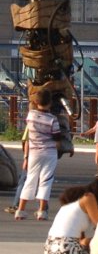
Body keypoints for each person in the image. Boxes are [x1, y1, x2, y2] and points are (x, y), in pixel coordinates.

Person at [16, 88, 61, 220]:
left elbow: (29, 134)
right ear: (50, 103)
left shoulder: (30, 116)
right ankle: (42, 211)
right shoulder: (53, 119)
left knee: (30, 179)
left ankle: (21, 209)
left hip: (34, 153)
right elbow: (57, 139)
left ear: (36, 102)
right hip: (50, 152)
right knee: (46, 180)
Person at [4, 123, 28, 214]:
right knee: (45, 183)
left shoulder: (32, 118)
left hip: (34, 157)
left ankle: (17, 206)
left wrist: (26, 156)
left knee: (24, 180)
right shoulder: (53, 120)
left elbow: (26, 141)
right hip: (49, 156)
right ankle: (43, 209)